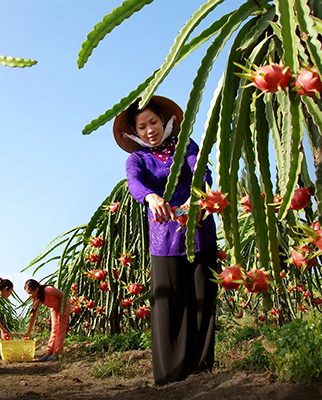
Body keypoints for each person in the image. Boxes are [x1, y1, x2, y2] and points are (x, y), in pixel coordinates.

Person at [113, 96, 218, 386]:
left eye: (154, 122)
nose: (150, 130)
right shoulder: (137, 159)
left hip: (199, 227)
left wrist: (200, 196)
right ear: (135, 131)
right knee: (168, 303)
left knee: (202, 297)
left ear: (165, 122)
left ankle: (201, 371)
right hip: (165, 238)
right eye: (142, 126)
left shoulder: (187, 145)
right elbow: (134, 182)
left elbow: (202, 170)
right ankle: (170, 375)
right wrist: (149, 196)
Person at [24, 279, 70, 361]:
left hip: (63, 305)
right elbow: (33, 315)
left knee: (60, 329)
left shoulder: (49, 290)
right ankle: (49, 351)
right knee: (54, 329)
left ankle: (57, 353)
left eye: (30, 293)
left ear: (36, 289)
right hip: (55, 308)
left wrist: (61, 311)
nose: (29, 296)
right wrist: (28, 332)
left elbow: (63, 295)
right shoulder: (36, 298)